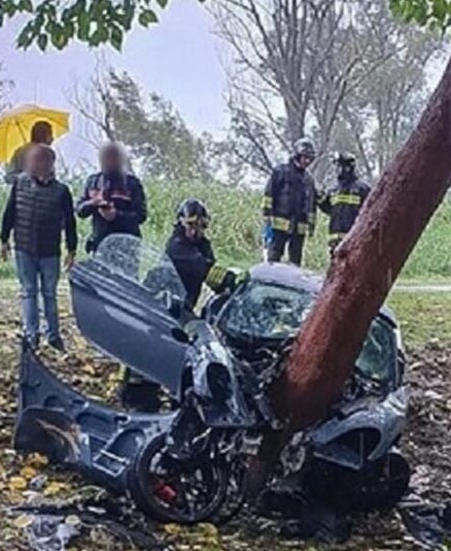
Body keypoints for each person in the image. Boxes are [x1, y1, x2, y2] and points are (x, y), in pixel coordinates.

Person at [119, 199, 243, 411]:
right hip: (158, 305)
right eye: (191, 225)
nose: (196, 231)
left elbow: (211, 277)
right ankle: (136, 395)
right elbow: (204, 270)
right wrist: (232, 280)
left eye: (201, 226)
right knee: (148, 350)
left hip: (179, 306)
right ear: (180, 223)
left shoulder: (202, 246)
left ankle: (174, 394)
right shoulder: (177, 246)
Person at [0, 144, 77, 351]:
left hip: (50, 251)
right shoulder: (19, 183)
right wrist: (4, 239)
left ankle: (53, 335)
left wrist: (71, 250)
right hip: (24, 247)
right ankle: (31, 334)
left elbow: (70, 222)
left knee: (49, 293)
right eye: (30, 160)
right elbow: (9, 213)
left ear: (48, 163)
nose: (32, 164)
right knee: (28, 291)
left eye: (37, 159)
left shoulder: (61, 191)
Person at [77, 142, 148, 253]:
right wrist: (92, 203)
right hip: (100, 243)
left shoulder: (132, 183)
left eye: (113, 157)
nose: (109, 162)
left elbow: (141, 216)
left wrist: (116, 215)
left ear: (121, 160)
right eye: (105, 158)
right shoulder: (93, 181)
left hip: (127, 246)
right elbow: (79, 211)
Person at [262, 138, 317, 265]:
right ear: (297, 155)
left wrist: (311, 226)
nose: (307, 161)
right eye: (305, 157)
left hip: (300, 227)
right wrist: (267, 215)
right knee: (274, 258)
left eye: (310, 158)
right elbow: (269, 194)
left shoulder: (309, 180)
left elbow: (311, 204)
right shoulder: (280, 171)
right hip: (279, 224)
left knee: (295, 261)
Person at [318, 151, 370, 255]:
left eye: (339, 166)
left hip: (353, 238)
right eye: (336, 166)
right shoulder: (334, 189)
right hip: (334, 239)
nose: (336, 170)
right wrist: (320, 199)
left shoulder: (362, 189)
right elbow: (328, 209)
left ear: (347, 168)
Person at [6, 120, 54, 185]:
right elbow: (10, 177)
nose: (52, 138)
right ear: (42, 135)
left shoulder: (48, 154)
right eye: (50, 135)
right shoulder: (21, 153)